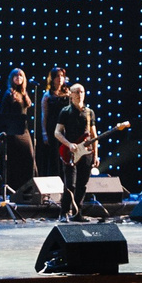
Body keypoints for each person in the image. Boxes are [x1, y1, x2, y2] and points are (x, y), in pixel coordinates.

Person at [50, 81, 93, 217]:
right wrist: (69, 144)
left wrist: (96, 155)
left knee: (82, 184)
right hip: (70, 152)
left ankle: (77, 212)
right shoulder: (65, 112)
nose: (80, 95)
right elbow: (57, 132)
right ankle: (64, 213)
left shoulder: (89, 113)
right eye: (77, 92)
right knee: (70, 184)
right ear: (71, 95)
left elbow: (93, 135)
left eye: (82, 92)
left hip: (86, 153)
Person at [0, 68, 36, 204]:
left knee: (30, 159)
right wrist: (2, 133)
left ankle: (28, 189)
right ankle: (15, 190)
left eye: (21, 75)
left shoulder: (24, 93)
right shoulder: (9, 94)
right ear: (11, 78)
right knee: (16, 161)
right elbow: (3, 114)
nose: (19, 77)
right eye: (16, 76)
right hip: (13, 132)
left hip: (24, 131)